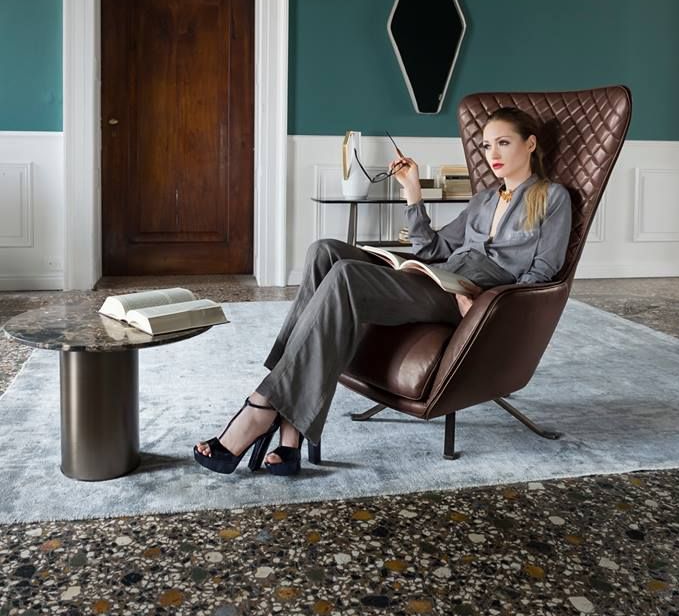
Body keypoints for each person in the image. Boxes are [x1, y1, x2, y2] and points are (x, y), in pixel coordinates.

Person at [194, 107, 572, 476]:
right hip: (437, 277)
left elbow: (544, 271)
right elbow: (432, 249)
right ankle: (290, 429)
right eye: (487, 145)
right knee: (325, 251)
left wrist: (487, 307)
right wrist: (412, 190)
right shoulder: (484, 200)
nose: (493, 154)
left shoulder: (553, 198)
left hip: (464, 296)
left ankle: (262, 406)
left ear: (530, 144)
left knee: (346, 276)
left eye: (503, 143)